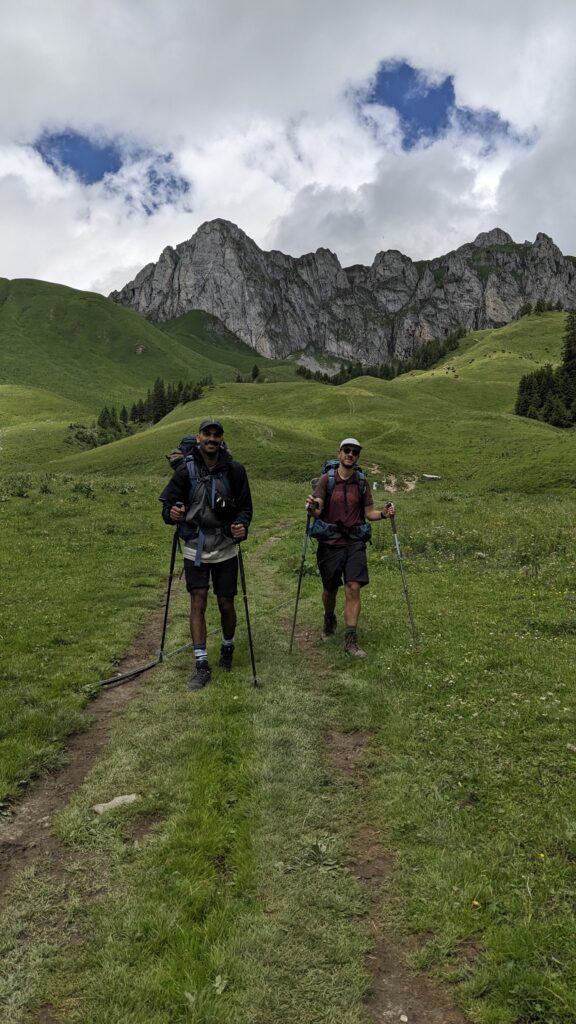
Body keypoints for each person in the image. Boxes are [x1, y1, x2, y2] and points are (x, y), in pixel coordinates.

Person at [159, 418, 253, 690]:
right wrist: (172, 514)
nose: (212, 439)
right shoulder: (184, 471)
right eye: (207, 434)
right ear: (198, 438)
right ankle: (201, 663)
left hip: (225, 546)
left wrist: (242, 526)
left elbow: (245, 507)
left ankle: (227, 645)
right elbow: (168, 507)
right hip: (194, 545)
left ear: (221, 439)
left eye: (216, 435)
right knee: (197, 601)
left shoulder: (235, 471)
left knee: (226, 602)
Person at [306, 437, 395, 658]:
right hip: (330, 544)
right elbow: (317, 510)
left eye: (355, 452)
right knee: (330, 590)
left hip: (354, 543)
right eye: (347, 450)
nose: (350, 454)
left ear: (357, 456)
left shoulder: (362, 483)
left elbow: (369, 513)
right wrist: (311, 508)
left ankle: (350, 640)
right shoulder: (326, 480)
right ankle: (329, 617)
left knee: (353, 587)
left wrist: (383, 514)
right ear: (339, 454)